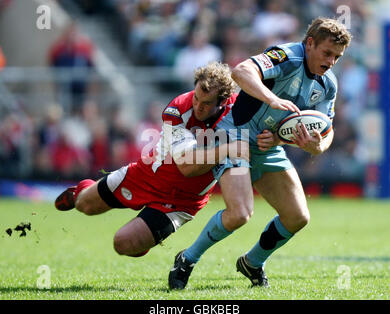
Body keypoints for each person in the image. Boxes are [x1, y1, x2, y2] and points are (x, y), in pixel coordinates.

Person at [168, 17, 352, 289]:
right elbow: (241, 71)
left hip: (268, 146)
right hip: (235, 136)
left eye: (337, 57)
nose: (331, 61)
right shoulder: (287, 56)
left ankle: (252, 262)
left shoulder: (328, 85)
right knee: (240, 213)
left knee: (297, 217)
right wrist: (272, 98)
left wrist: (314, 145)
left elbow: (326, 131)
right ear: (310, 43)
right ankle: (187, 258)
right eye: (327, 53)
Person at [54, 62, 249, 257]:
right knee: (84, 205)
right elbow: (187, 167)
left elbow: (268, 122)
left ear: (222, 102)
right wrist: (229, 148)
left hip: (184, 201)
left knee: (123, 244)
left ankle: (144, 237)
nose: (197, 106)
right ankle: (83, 189)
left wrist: (271, 138)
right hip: (147, 176)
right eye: (196, 98)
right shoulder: (178, 108)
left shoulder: (239, 109)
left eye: (206, 104)